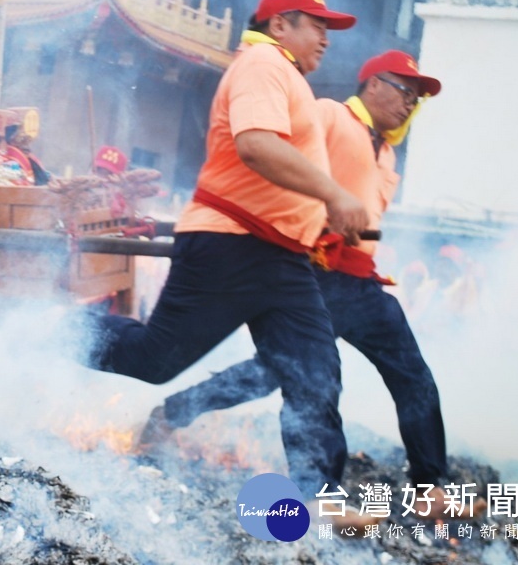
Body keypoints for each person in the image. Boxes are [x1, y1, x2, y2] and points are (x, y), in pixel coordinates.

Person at [141, 50, 462, 515]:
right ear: (372, 83)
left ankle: (430, 485)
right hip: (313, 273)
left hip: (361, 282)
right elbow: (278, 158)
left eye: (416, 99)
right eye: (403, 91)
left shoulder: (387, 151)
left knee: (412, 374)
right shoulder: (329, 115)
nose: (408, 103)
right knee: (278, 375)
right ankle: (177, 414)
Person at [86, 0, 368, 500]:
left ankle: (314, 497)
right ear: (280, 24)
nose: (327, 39)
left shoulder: (289, 78)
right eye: (318, 26)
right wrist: (333, 194)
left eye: (330, 29)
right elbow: (257, 146)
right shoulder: (263, 65)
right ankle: (58, 328)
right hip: (231, 245)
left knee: (315, 373)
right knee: (155, 361)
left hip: (281, 257)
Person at [0, 110, 50, 186]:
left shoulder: (31, 158)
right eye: (22, 139)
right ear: (12, 141)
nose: (26, 145)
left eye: (27, 140)